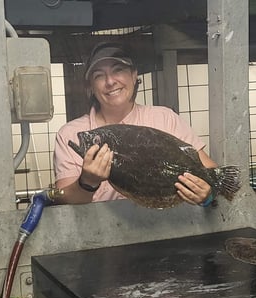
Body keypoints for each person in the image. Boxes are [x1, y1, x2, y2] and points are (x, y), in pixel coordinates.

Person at [53, 42, 217, 206]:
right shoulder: (70, 134)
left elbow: (210, 173)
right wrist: (87, 182)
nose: (110, 81)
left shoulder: (165, 118)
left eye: (118, 70)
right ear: (91, 87)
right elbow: (65, 200)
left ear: (134, 75)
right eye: (99, 76)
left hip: (166, 226)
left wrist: (208, 194)